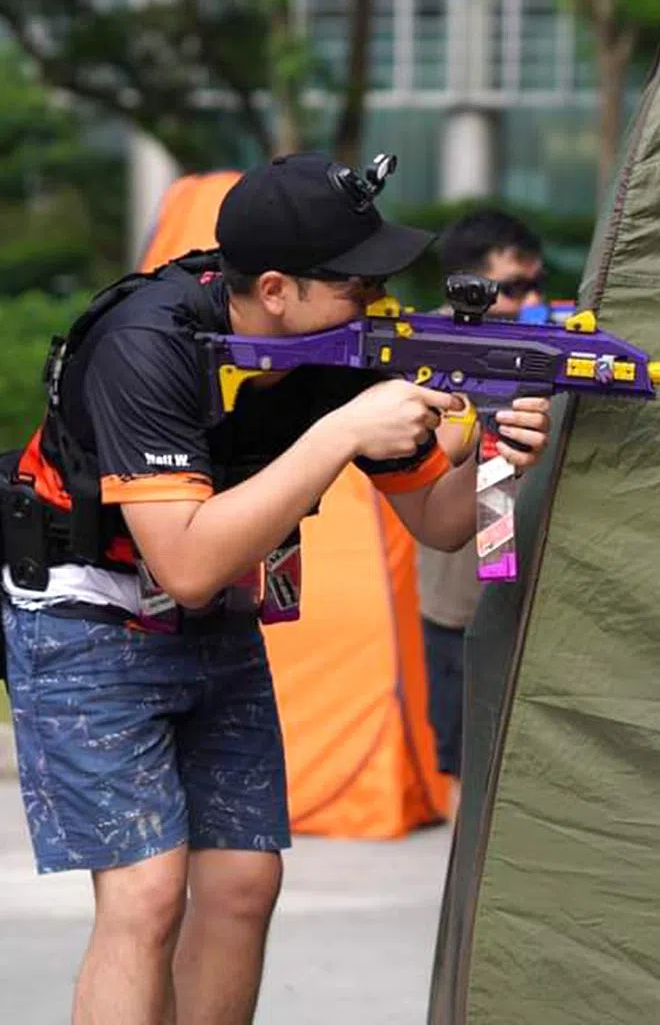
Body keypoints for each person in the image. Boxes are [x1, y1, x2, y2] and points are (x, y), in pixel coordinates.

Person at [0, 154, 551, 1025]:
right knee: (146, 895)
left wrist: (496, 460)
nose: (377, 300)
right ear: (274, 288)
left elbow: (443, 527)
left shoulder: (344, 348)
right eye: (356, 283)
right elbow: (183, 560)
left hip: (213, 620)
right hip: (86, 616)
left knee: (244, 882)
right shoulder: (145, 347)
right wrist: (337, 435)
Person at [418, 209, 546, 820]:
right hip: (458, 602)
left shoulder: (533, 347)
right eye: (514, 288)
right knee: (467, 764)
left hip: (520, 598)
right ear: (470, 286)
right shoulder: (427, 354)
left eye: (533, 286)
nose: (530, 301)